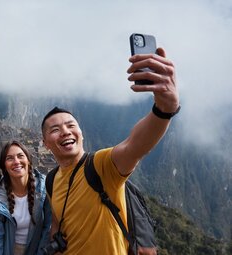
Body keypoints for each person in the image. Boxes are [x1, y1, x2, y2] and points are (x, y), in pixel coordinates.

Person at [41, 48, 180, 254]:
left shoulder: (101, 165)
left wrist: (164, 109)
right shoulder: (52, 180)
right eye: (55, 129)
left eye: (71, 125)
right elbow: (58, 228)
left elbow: (135, 146)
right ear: (45, 143)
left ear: (81, 133)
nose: (65, 132)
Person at [0, 140, 52, 255]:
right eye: (9, 158)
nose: (16, 162)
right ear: (4, 167)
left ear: (29, 161)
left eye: (20, 156)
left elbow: (48, 228)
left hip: (38, 249)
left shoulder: (44, 188)